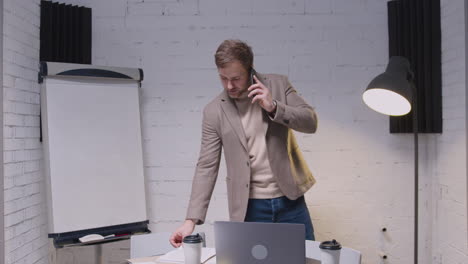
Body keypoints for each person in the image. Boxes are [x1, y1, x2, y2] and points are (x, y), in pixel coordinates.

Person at [169, 39, 318, 247]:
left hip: (290, 201)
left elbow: (310, 121)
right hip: (251, 208)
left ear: (249, 69)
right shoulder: (214, 111)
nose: (229, 85)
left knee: (306, 259)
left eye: (236, 78)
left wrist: (274, 106)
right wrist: (190, 221)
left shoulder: (278, 85)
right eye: (223, 78)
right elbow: (206, 166)